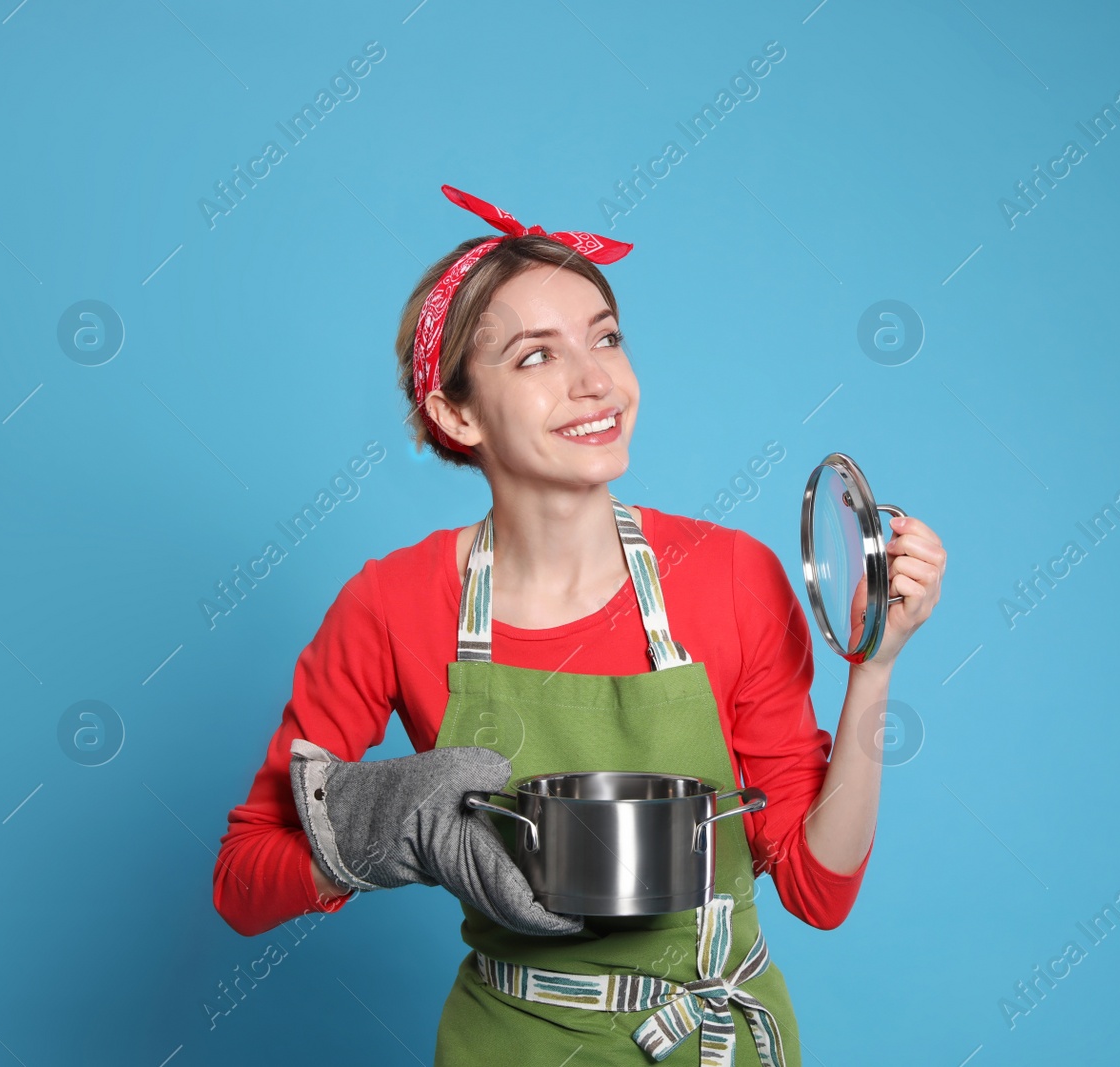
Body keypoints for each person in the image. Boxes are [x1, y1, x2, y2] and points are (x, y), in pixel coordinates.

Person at [213, 185, 946, 1065]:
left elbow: (818, 888)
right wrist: (384, 827)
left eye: (606, 336)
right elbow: (241, 883)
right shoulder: (392, 605)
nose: (595, 380)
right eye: (535, 357)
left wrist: (874, 665)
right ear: (456, 412)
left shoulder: (731, 576)